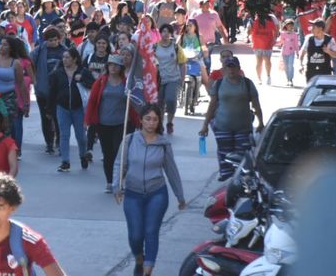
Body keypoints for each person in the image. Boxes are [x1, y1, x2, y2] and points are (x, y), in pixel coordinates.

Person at [113, 104, 186, 276]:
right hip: (133, 193)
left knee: (151, 231)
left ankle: (147, 271)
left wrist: (180, 196)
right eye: (148, 119)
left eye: (155, 119)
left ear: (159, 121)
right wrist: (117, 186)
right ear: (141, 120)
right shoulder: (130, 140)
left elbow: (171, 170)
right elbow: (119, 164)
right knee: (135, 235)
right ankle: (139, 259)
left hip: (157, 194)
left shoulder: (163, 144)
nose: (151, 123)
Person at [199, 57, 264, 181]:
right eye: (228, 67)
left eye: (233, 66)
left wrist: (261, 122)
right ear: (224, 69)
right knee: (225, 153)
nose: (231, 69)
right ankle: (226, 178)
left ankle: (240, 179)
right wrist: (205, 125)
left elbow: (256, 104)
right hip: (223, 126)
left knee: (242, 155)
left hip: (243, 127)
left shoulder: (247, 83)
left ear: (239, 69)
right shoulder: (219, 84)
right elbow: (212, 105)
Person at [85, 54, 140, 193]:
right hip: (103, 124)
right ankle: (110, 182)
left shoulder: (126, 82)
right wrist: (87, 120)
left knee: (120, 153)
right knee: (108, 154)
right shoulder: (101, 82)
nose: (113, 67)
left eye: (116, 65)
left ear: (121, 67)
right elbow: (92, 101)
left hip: (122, 124)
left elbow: (133, 103)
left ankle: (119, 180)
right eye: (110, 65)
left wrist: (139, 122)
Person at [0, 36, 27, 156]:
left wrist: (25, 102)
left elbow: (21, 83)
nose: (2, 47)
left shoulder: (16, 63)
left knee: (6, 126)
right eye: (1, 44)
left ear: (11, 47)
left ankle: (5, 151)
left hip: (8, 97)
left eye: (6, 45)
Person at [49, 48, 91, 172]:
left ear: (74, 58)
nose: (65, 60)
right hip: (62, 108)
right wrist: (49, 108)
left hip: (78, 109)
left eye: (67, 57)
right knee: (64, 135)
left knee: (81, 136)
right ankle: (65, 161)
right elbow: (52, 91)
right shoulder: (58, 73)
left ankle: (83, 155)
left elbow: (93, 85)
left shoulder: (83, 71)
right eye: (63, 57)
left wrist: (82, 79)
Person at [29, 28, 65, 154]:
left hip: (59, 91)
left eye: (56, 40)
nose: (54, 42)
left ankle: (59, 142)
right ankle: (49, 143)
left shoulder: (64, 50)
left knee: (58, 118)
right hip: (43, 90)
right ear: (46, 40)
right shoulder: (39, 50)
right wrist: (34, 80)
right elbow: (28, 62)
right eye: (51, 40)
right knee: (45, 118)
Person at [154, 25, 186, 135]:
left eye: (168, 32)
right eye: (163, 31)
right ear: (160, 33)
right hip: (158, 80)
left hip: (173, 79)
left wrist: (182, 79)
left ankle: (170, 122)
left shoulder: (176, 47)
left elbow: (182, 64)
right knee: (159, 103)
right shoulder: (154, 47)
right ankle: (160, 124)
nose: (166, 34)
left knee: (171, 100)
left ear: (171, 34)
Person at [190, 0, 229, 73]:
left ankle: (207, 73)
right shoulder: (195, 14)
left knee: (206, 57)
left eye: (208, 4)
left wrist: (225, 38)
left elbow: (220, 27)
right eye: (205, 4)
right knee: (197, 57)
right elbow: (189, 25)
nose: (207, 5)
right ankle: (197, 74)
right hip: (197, 41)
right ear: (200, 5)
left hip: (210, 41)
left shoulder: (214, 14)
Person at [299, 18, 336, 82]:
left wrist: (328, 51)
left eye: (314, 28)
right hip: (311, 72)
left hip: (325, 72)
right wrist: (300, 65)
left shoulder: (330, 40)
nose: (311, 30)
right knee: (312, 91)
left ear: (320, 28)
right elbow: (302, 53)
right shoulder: (309, 39)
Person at [249, 13, 278, 85]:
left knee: (267, 60)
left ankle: (268, 76)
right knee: (259, 61)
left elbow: (276, 29)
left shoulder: (271, 18)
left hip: (268, 43)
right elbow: (249, 31)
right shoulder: (254, 18)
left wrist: (275, 39)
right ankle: (259, 78)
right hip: (257, 43)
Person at [279, 19, 301, 86]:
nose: (290, 27)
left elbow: (296, 44)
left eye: (292, 26)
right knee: (286, 66)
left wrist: (297, 52)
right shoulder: (283, 34)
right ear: (286, 26)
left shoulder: (294, 35)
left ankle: (291, 79)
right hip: (284, 52)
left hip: (291, 52)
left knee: (290, 65)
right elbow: (281, 42)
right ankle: (288, 79)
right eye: (289, 26)